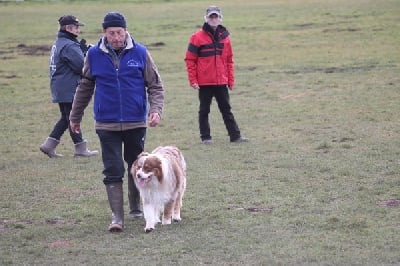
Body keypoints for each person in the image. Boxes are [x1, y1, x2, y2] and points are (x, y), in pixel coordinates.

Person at [69, 12, 165, 232]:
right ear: (104, 32)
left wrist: (156, 110)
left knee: (137, 166)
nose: (116, 37)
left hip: (135, 122)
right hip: (106, 123)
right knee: (112, 169)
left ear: (126, 31)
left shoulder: (140, 52)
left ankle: (136, 209)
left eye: (119, 32)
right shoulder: (93, 54)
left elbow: (155, 85)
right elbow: (84, 86)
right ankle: (117, 217)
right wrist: (75, 116)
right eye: (111, 33)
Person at [185, 6, 248, 144]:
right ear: (206, 19)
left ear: (220, 19)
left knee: (226, 110)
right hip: (205, 82)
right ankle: (205, 137)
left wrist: (230, 80)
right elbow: (190, 60)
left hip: (221, 82)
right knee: (204, 111)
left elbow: (229, 60)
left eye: (216, 17)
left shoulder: (225, 38)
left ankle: (235, 136)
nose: (213, 19)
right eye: (211, 17)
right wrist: (193, 80)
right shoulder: (196, 37)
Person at [40, 15, 98, 158]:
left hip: (60, 86)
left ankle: (48, 146)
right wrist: (86, 54)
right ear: (68, 28)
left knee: (66, 117)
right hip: (69, 87)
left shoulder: (60, 42)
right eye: (76, 27)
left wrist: (81, 51)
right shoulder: (69, 45)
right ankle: (80, 149)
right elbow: (81, 67)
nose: (78, 30)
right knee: (72, 117)